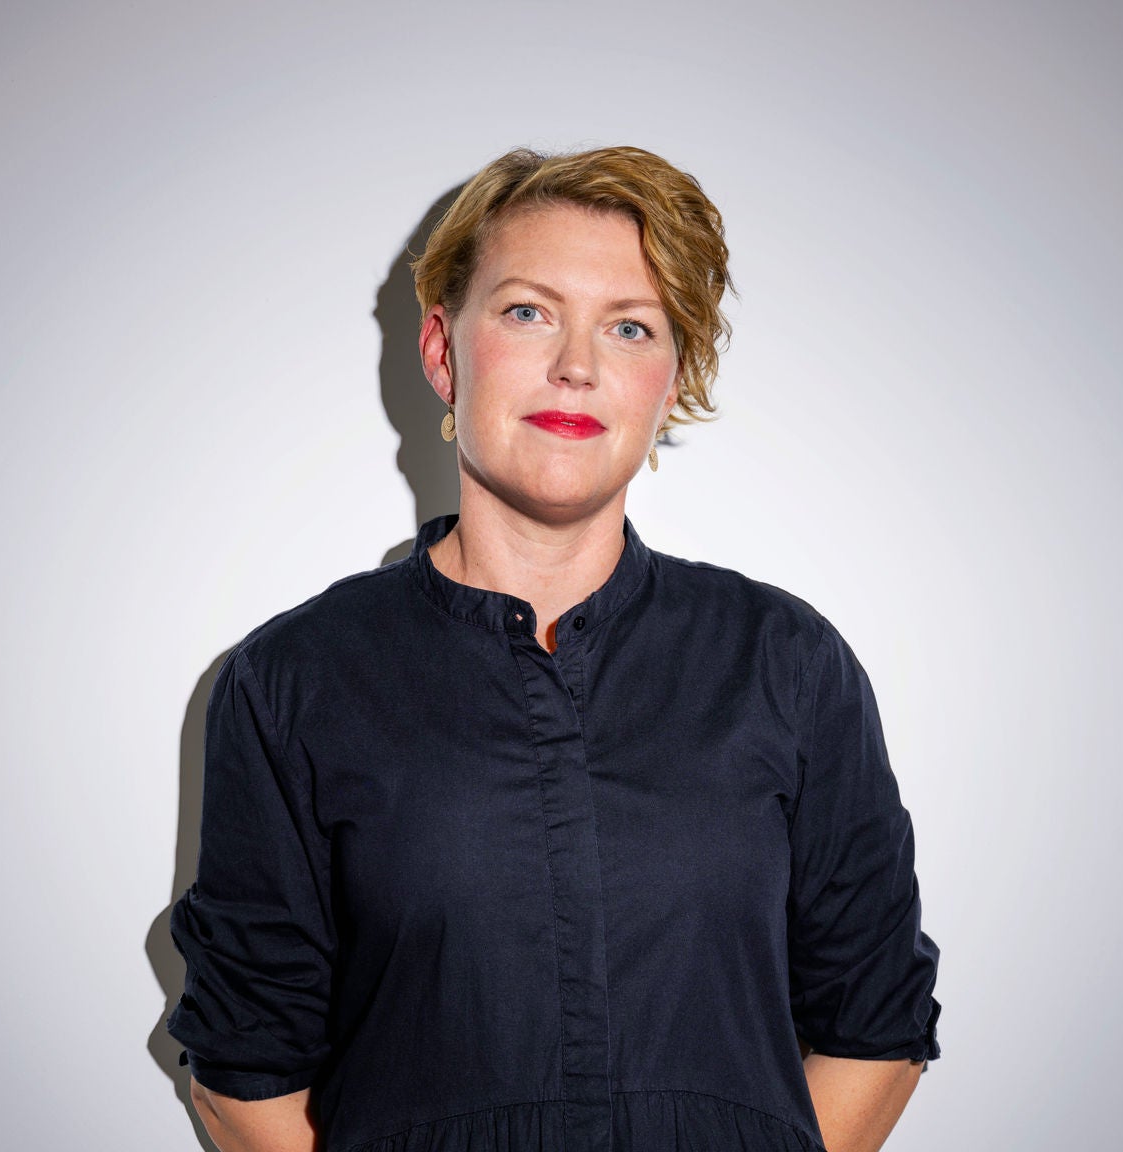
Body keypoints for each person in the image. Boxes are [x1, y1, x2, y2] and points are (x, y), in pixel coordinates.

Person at [165, 145, 941, 1152]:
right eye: (528, 312)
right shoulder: (293, 682)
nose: (577, 364)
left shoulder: (787, 665)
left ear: (669, 380)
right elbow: (243, 1074)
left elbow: (876, 1028)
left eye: (629, 327)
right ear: (442, 353)